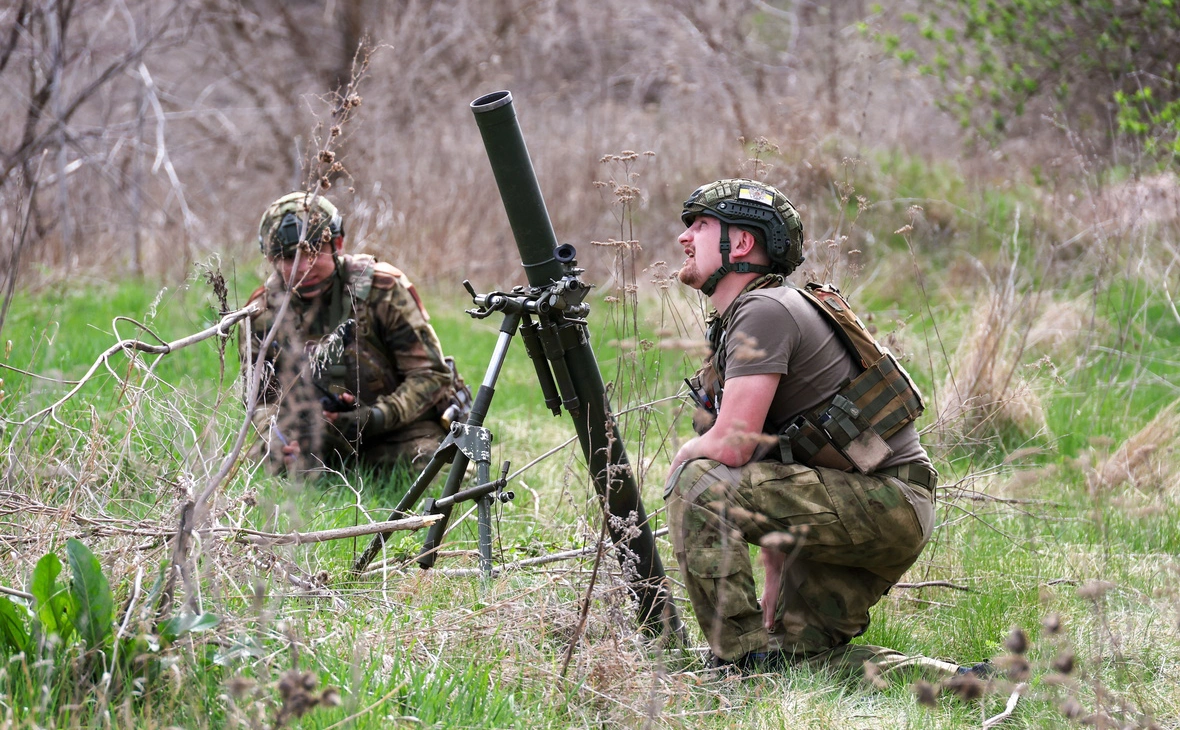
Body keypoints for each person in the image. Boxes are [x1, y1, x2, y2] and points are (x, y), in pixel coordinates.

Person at [665, 178, 946, 675]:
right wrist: (776, 564)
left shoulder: (763, 310)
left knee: (697, 482)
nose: (685, 238)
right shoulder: (750, 314)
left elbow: (732, 447)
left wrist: (680, 460)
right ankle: (967, 684)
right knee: (803, 659)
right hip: (879, 507)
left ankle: (739, 662)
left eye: (702, 226)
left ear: (743, 243)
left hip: (883, 503)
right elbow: (780, 448)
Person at [240, 191, 461, 477]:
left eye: (313, 251)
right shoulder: (262, 312)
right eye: (289, 256)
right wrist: (275, 436)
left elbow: (431, 377)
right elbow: (259, 401)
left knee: (440, 472)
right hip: (313, 434)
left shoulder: (382, 290)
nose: (303, 267)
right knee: (266, 463)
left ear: (338, 243)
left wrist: (372, 418)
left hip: (397, 428)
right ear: (270, 258)